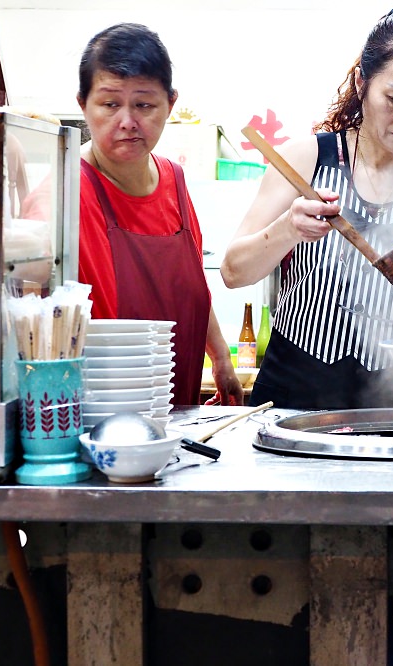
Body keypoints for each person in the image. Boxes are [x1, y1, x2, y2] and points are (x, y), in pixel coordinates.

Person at [221, 4, 393, 409]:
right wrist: (289, 230)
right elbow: (232, 271)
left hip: (392, 404)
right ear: (362, 83)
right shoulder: (305, 160)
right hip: (291, 396)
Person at [76, 23, 243, 407]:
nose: (128, 121)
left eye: (144, 105)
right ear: (83, 104)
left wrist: (219, 357)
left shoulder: (175, 179)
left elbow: (191, 283)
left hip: (177, 403)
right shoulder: (67, 190)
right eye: (110, 104)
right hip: (103, 409)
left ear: (170, 103)